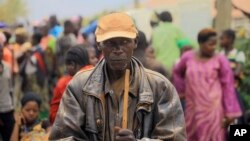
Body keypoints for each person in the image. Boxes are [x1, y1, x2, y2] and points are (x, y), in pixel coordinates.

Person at [49, 12, 186, 141]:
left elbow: (174, 137)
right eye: (110, 43)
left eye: (125, 42)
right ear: (98, 44)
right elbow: (63, 137)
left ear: (135, 42)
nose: (118, 50)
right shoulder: (79, 86)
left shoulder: (160, 87)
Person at [173, 28, 242, 141]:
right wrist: (182, 91)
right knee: (193, 135)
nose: (214, 48)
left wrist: (230, 111)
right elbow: (177, 72)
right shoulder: (188, 57)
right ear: (200, 43)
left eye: (215, 44)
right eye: (210, 44)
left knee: (214, 136)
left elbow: (228, 85)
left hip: (213, 110)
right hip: (193, 108)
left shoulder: (220, 59)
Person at [50, 45, 93, 124]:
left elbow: (55, 114)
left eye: (67, 66)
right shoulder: (97, 73)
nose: (66, 69)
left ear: (72, 64)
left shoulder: (65, 83)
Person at [0, 44, 15, 141]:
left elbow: (11, 89)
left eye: (1, 51)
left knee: (9, 137)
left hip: (8, 109)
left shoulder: (7, 66)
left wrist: (13, 107)